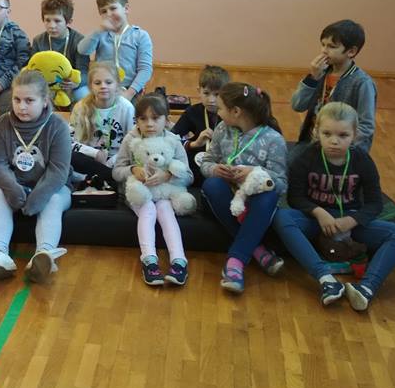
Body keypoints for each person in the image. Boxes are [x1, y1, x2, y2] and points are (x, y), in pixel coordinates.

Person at [275, 102, 395, 310]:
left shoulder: (362, 160)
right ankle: (326, 279)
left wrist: (352, 220)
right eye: (327, 134)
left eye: (343, 135)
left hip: (349, 221)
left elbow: (374, 203)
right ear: (316, 131)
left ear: (355, 135)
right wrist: (318, 212)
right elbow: (295, 198)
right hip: (315, 220)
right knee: (282, 217)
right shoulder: (304, 158)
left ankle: (366, 288)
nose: (334, 141)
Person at [0, 69, 72, 283]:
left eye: (29, 101)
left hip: (52, 188)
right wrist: (13, 189)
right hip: (16, 185)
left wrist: (38, 197)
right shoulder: (3, 123)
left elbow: (58, 171)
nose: (22, 106)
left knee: (54, 200)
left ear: (44, 101)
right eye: (17, 100)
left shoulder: (58, 126)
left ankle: (44, 254)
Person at [199, 82, 288, 294]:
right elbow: (206, 162)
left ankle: (236, 262)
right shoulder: (222, 129)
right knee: (211, 185)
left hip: (255, 198)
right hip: (227, 196)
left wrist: (253, 172)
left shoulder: (273, 140)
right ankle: (258, 251)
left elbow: (281, 183)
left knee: (268, 196)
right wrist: (215, 169)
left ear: (236, 112)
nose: (218, 112)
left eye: (221, 108)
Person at [112, 95, 192, 286]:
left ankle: (179, 261)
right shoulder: (130, 139)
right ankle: (149, 260)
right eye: (143, 119)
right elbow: (116, 171)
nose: (149, 124)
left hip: (165, 192)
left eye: (155, 118)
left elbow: (189, 175)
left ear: (167, 119)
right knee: (148, 210)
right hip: (139, 193)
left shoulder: (173, 140)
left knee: (165, 209)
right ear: (136, 120)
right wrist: (133, 169)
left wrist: (168, 175)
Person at [291, 19, 377, 154]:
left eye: (331, 46)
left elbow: (366, 126)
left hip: (340, 151)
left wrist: (338, 144)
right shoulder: (321, 73)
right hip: (311, 144)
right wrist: (312, 78)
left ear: (351, 51)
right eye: (323, 45)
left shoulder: (362, 83)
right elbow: (298, 105)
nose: (324, 51)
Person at [68, 62, 134, 190]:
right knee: (71, 157)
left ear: (117, 85)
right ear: (91, 86)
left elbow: (132, 142)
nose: (103, 86)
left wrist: (111, 162)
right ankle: (106, 180)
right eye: (97, 83)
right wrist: (95, 153)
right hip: (90, 160)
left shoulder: (127, 108)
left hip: (117, 160)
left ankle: (97, 180)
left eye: (108, 82)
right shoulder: (81, 107)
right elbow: (69, 142)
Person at [80, 0, 153, 102]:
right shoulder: (100, 34)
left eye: (113, 8)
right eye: (104, 11)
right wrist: (99, 30)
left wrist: (129, 93)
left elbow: (145, 69)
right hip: (103, 90)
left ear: (126, 9)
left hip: (130, 90)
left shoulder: (140, 36)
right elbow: (83, 50)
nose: (109, 14)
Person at [171, 65, 229, 186]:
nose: (211, 100)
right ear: (199, 91)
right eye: (206, 93)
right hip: (196, 165)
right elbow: (171, 139)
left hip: (223, 165)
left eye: (217, 94)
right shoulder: (192, 112)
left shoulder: (231, 115)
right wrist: (195, 144)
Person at [30, 0, 89, 104]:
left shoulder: (79, 41)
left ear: (69, 21)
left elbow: (84, 72)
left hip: (71, 87)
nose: (52, 26)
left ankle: (77, 116)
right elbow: (32, 69)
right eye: (47, 20)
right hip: (46, 86)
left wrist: (76, 83)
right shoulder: (38, 40)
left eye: (57, 21)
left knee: (83, 95)